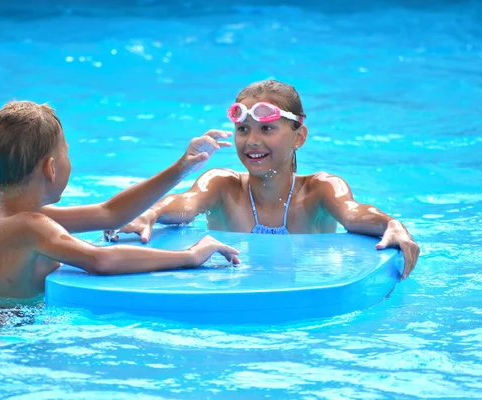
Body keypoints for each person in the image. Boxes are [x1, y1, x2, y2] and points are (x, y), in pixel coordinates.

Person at [106, 79, 420, 280]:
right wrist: (151, 212)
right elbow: (186, 204)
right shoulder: (222, 185)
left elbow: (353, 213)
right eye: (243, 130)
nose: (252, 141)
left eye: (266, 129)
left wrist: (391, 223)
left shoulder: (321, 189)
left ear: (299, 138)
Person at [0, 100, 240, 300]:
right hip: (9, 336)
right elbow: (100, 260)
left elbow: (109, 214)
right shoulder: (32, 226)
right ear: (50, 168)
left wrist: (182, 168)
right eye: (67, 153)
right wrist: (189, 256)